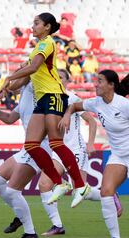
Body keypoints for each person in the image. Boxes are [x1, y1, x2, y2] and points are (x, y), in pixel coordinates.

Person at [0, 12, 90, 207]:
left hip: (55, 95)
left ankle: (81, 185)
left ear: (47, 27)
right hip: (42, 99)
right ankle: (60, 183)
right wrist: (4, 88)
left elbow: (32, 68)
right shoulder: (35, 51)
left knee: (56, 142)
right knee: (31, 145)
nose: (32, 26)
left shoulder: (47, 43)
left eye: (36, 23)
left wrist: (9, 77)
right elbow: (22, 79)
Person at [59, 70, 129, 238]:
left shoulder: (123, 105)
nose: (96, 84)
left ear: (111, 85)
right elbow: (74, 106)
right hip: (118, 155)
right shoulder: (96, 103)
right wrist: (67, 115)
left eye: (100, 81)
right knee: (106, 192)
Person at [38, 69, 105, 236]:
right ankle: (57, 225)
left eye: (61, 77)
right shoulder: (48, 99)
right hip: (57, 149)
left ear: (67, 81)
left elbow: (92, 122)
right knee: (44, 184)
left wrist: (90, 144)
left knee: (80, 191)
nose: (58, 79)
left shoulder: (72, 98)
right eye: (56, 77)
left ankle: (109, 195)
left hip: (76, 148)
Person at [0, 78, 46, 238]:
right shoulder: (23, 98)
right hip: (27, 147)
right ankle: (20, 216)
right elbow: (9, 119)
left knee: (13, 191)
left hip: (39, 146)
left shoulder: (34, 87)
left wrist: (5, 86)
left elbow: (20, 78)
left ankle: (30, 232)